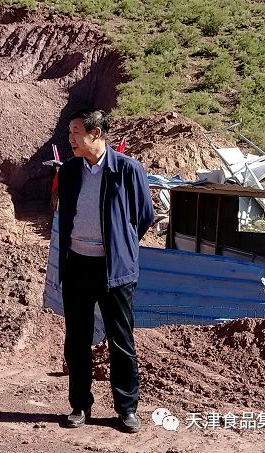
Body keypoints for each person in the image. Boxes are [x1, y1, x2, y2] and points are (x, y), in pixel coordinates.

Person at [57, 108, 154, 433]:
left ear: (95, 133)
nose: (70, 139)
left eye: (75, 132)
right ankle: (79, 405)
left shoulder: (127, 169)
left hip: (115, 269)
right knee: (77, 340)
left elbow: (144, 216)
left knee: (120, 340)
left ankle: (126, 409)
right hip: (77, 264)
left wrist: (120, 245)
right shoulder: (70, 170)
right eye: (69, 133)